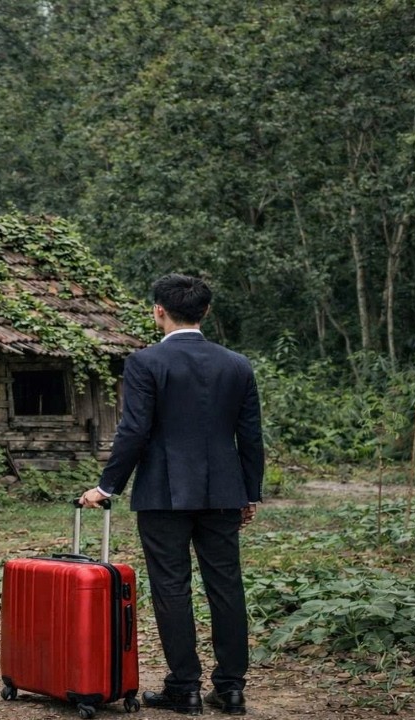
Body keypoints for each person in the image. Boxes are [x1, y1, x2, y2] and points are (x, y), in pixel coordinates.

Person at [78, 273, 263, 716]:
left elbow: (134, 430)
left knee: (171, 588)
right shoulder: (237, 365)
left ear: (158, 311)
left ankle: (185, 688)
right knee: (226, 586)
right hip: (224, 492)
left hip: (163, 493)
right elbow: (251, 436)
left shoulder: (145, 362)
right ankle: (231, 689)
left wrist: (106, 486)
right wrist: (250, 493)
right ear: (206, 312)